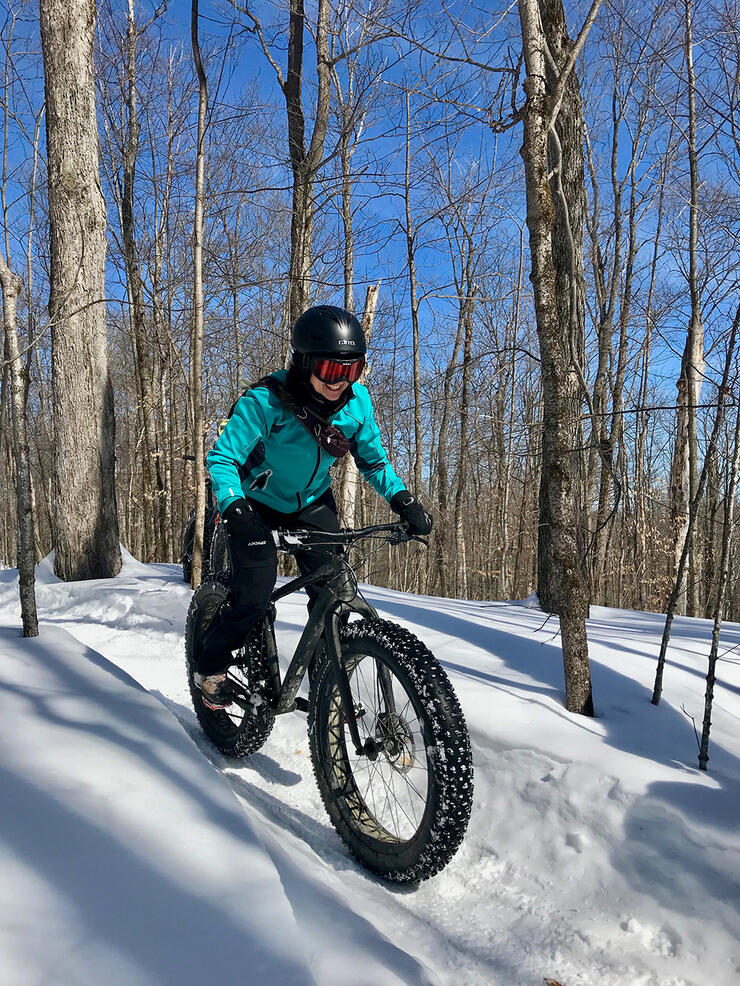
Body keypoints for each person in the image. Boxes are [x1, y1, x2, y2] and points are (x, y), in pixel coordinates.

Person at [196, 304, 433, 710]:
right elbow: (222, 458)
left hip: (312, 501)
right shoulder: (266, 401)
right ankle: (210, 665)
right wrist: (234, 508)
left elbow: (372, 461)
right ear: (304, 362)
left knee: (334, 594)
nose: (340, 382)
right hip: (254, 502)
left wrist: (402, 498)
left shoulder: (357, 405)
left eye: (351, 370)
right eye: (330, 370)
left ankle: (328, 690)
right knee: (253, 593)